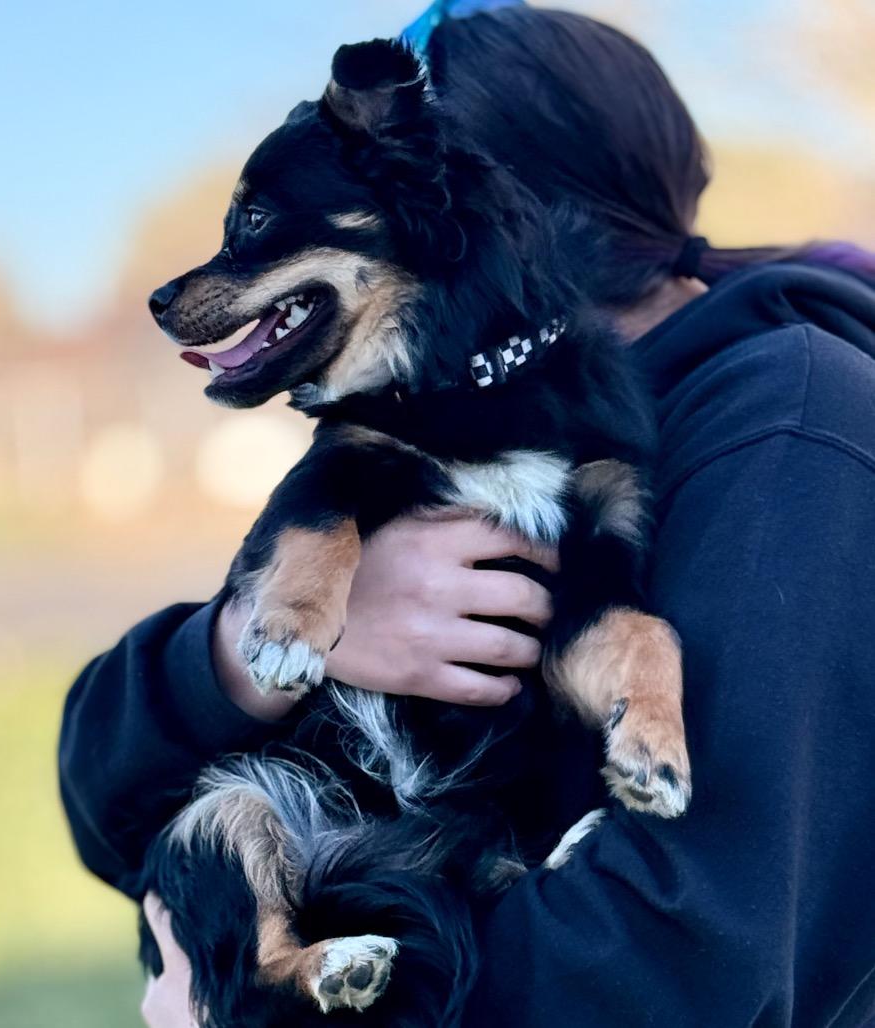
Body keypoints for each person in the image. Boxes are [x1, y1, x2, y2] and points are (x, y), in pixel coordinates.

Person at [58, 3, 875, 1025]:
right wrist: (240, 654)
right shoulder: (429, 409)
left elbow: (687, 956)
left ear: (473, 207)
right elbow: (104, 802)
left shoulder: (795, 428)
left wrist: (238, 1013)